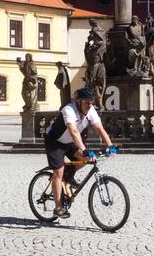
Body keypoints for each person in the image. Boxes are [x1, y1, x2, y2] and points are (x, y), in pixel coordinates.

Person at [43, 87, 116, 219]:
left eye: (91, 102)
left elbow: (100, 128)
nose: (89, 105)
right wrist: (84, 148)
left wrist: (110, 145)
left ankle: (68, 175)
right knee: (58, 172)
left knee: (87, 158)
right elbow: (73, 131)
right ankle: (58, 208)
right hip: (55, 141)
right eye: (87, 102)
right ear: (79, 102)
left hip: (70, 142)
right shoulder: (69, 110)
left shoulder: (90, 111)